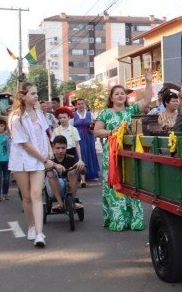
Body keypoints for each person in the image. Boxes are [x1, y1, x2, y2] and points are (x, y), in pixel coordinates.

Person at [93, 71, 154, 231]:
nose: (120, 96)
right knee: (114, 184)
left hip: (130, 155)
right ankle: (117, 220)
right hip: (112, 155)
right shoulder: (105, 113)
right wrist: (113, 132)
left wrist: (148, 82)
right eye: (117, 94)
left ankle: (134, 220)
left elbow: (147, 100)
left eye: (122, 94)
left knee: (131, 184)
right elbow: (97, 131)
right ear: (111, 98)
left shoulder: (131, 110)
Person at [8, 82, 55, 248]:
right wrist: (44, 159)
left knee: (36, 195)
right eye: (33, 93)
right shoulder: (16, 118)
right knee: (26, 197)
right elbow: (25, 145)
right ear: (23, 96)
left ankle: (40, 233)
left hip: (38, 161)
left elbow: (44, 134)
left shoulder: (40, 113)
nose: (36, 96)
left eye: (36, 93)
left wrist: (49, 151)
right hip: (21, 161)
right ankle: (31, 226)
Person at [46, 135, 85, 211]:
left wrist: (81, 166)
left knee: (73, 170)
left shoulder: (71, 158)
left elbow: (83, 172)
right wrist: (55, 166)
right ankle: (60, 202)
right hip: (53, 189)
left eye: (63, 148)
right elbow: (43, 171)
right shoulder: (50, 160)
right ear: (53, 147)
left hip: (68, 188)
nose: (60, 151)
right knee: (50, 173)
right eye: (58, 148)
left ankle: (72, 201)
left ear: (66, 147)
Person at [73, 97, 100, 185]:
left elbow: (94, 125)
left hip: (89, 136)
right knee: (81, 154)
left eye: (82, 103)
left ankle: (92, 174)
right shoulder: (73, 115)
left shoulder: (90, 114)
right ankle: (80, 175)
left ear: (85, 105)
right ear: (76, 105)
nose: (80, 105)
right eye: (79, 104)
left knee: (90, 153)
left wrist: (93, 129)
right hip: (78, 137)